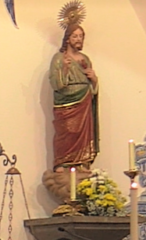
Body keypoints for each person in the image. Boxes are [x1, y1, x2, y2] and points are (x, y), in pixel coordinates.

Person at [50, 25, 99, 171]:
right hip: (65, 103)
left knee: (83, 132)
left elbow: (92, 85)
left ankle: (82, 161)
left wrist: (95, 80)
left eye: (81, 36)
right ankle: (62, 162)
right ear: (67, 39)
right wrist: (64, 69)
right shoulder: (59, 58)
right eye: (75, 36)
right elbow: (55, 83)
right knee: (66, 132)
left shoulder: (85, 59)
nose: (78, 39)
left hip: (84, 100)